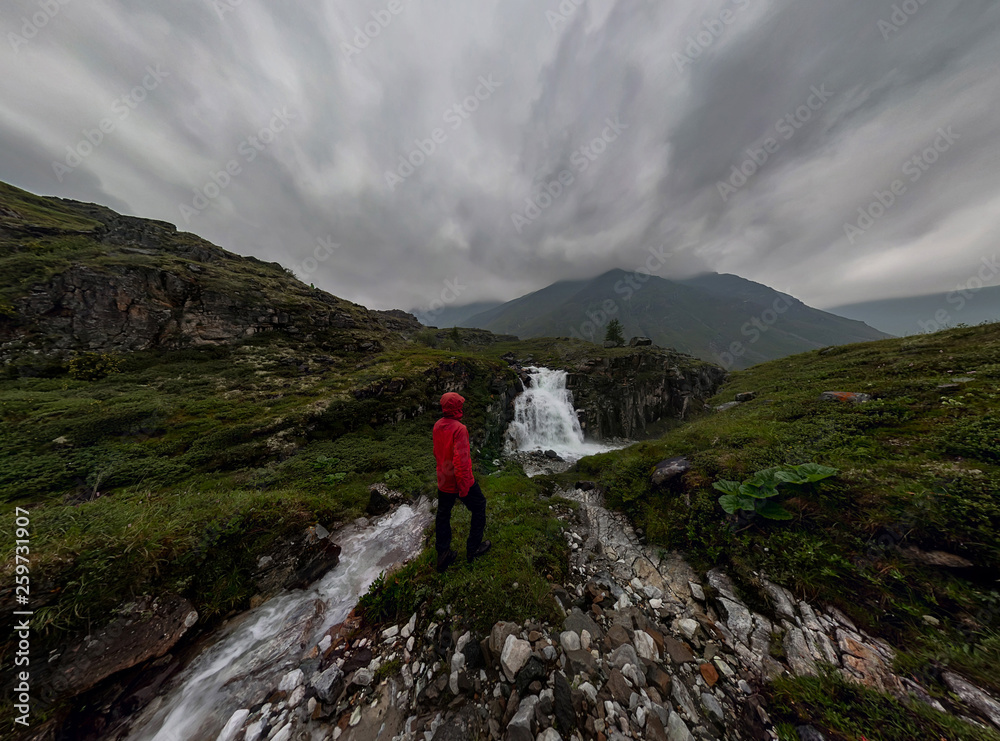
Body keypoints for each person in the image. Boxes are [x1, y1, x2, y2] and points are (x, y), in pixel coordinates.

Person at [433, 392, 490, 572]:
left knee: (443, 515)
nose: (463, 407)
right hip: (459, 481)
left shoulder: (437, 426)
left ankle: (443, 554)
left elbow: (437, 452)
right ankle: (473, 549)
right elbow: (461, 461)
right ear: (456, 408)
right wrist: (464, 487)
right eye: (460, 405)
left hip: (443, 480)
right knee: (479, 506)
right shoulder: (460, 429)